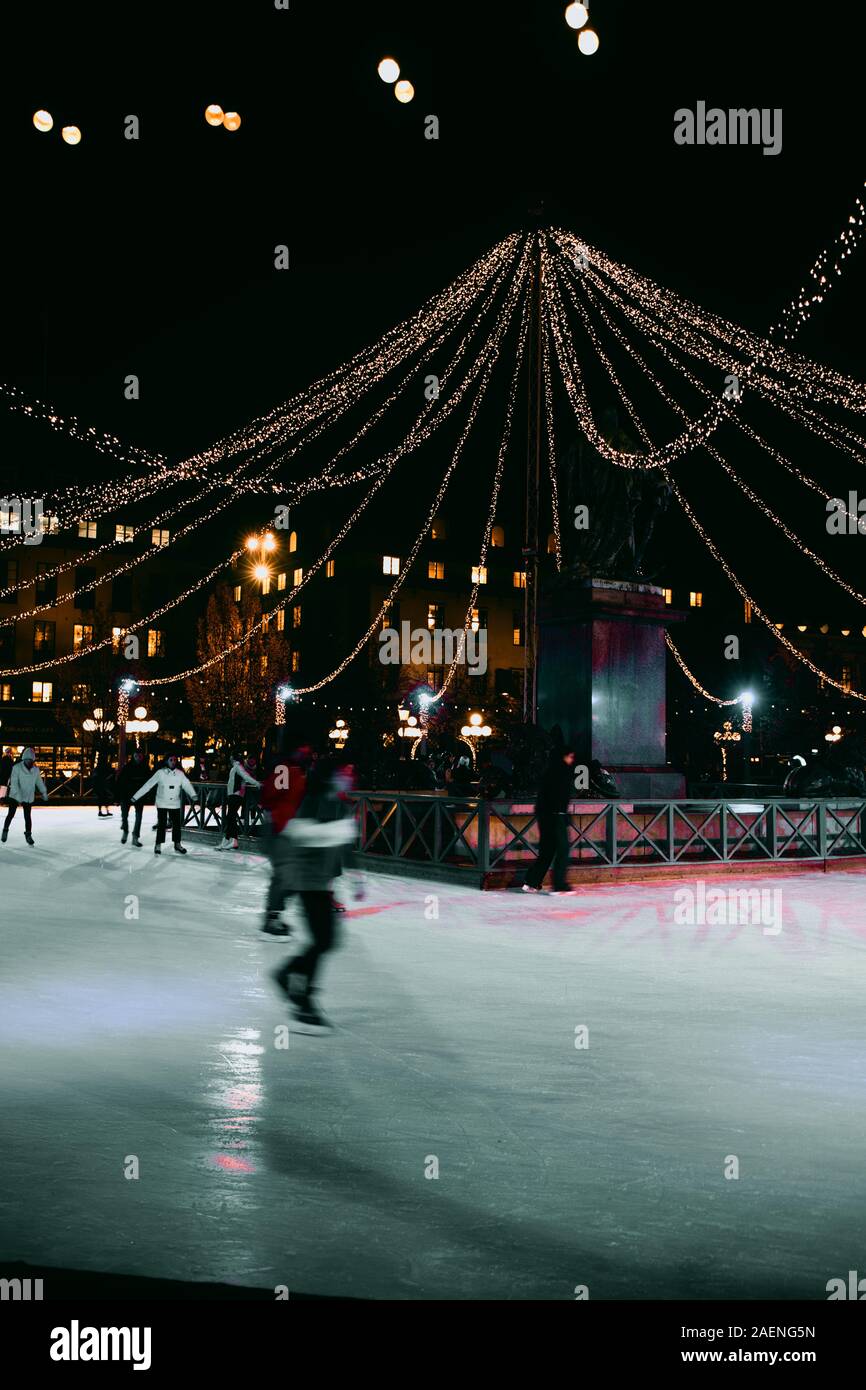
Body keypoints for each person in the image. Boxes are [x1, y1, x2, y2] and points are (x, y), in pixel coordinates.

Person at [271, 760, 357, 1033]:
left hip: (322, 884)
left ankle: (293, 982)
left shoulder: (338, 804)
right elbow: (297, 838)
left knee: (325, 940)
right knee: (324, 940)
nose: (348, 779)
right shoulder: (313, 802)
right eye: (344, 774)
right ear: (331, 778)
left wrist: (355, 876)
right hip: (307, 883)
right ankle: (301, 998)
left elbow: (346, 847)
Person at [259, 745, 312, 935]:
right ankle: (271, 918)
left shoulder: (297, 772)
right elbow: (270, 795)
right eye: (303, 752)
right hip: (279, 830)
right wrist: (278, 815)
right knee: (285, 876)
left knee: (291, 877)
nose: (307, 756)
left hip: (288, 830)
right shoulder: (285, 769)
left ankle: (273, 915)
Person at [523, 747, 577, 895]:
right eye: (569, 757)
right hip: (556, 816)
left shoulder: (549, 771)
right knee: (562, 849)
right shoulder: (562, 773)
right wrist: (562, 814)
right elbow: (560, 797)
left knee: (547, 850)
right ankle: (559, 885)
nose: (571, 760)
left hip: (545, 816)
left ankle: (532, 881)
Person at [131, 752, 197, 855]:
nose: (173, 762)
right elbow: (148, 785)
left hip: (175, 803)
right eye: (171, 760)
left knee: (176, 824)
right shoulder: (160, 773)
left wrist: (193, 794)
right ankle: (158, 844)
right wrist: (136, 796)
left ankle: (177, 844)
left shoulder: (180, 774)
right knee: (161, 824)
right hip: (162, 802)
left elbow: (187, 784)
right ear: (166, 761)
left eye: (175, 760)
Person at [2, 747, 49, 845]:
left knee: (27, 816)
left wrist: (44, 792)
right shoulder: (17, 768)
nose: (29, 762)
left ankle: (28, 835)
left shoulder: (35, 770)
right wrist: (18, 796)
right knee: (11, 814)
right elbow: (14, 783)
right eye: (27, 760)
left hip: (28, 796)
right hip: (15, 795)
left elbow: (39, 782)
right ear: (24, 759)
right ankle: (5, 830)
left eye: (31, 760)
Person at [219, 752, 262, 850]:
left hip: (236, 795)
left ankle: (232, 841)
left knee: (230, 818)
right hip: (234, 795)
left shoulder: (238, 767)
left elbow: (246, 776)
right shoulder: (236, 767)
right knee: (230, 818)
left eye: (231, 758)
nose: (230, 760)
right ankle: (227, 841)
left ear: (234, 759)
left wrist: (256, 783)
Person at [115, 748, 151, 846]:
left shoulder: (145, 768)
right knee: (124, 816)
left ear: (142, 757)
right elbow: (119, 783)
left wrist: (148, 795)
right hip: (126, 795)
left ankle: (135, 837)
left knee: (138, 817)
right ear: (133, 756)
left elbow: (149, 783)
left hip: (139, 796)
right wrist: (117, 797)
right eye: (136, 756)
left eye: (140, 756)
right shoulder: (127, 767)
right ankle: (125, 831)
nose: (138, 758)